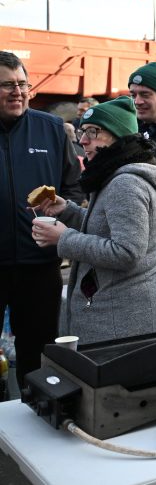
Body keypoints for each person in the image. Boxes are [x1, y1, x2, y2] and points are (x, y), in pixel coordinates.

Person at [32, 96, 156, 345]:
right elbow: (108, 226)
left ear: (118, 137)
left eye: (93, 132)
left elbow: (127, 252)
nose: (82, 140)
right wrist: (69, 211)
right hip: (118, 310)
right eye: (82, 131)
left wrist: (64, 238)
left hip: (124, 316)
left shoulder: (125, 183)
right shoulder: (116, 175)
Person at [0, 51, 83, 388]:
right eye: (7, 85)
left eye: (23, 84)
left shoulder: (51, 128)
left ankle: (33, 412)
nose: (17, 92)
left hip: (39, 267)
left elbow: (73, 186)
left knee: (37, 357)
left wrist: (63, 213)